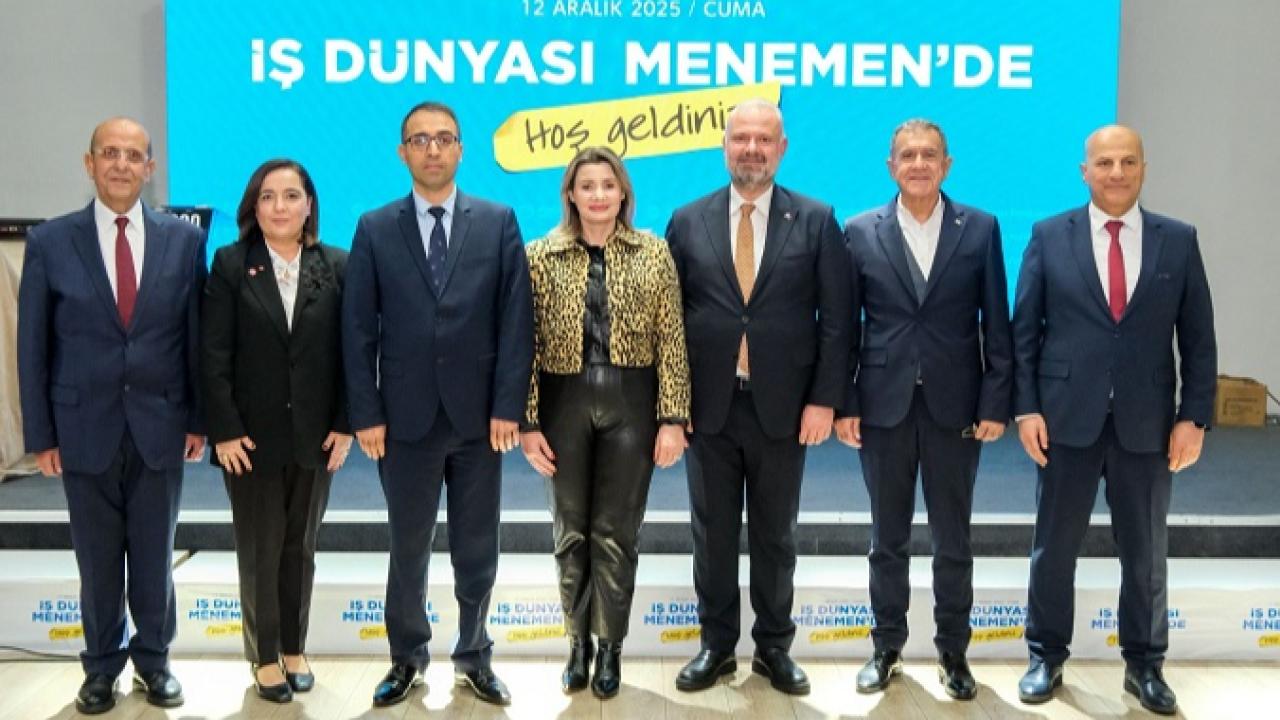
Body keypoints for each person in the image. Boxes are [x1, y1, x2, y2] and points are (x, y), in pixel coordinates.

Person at [1011, 125, 1216, 715]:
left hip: (1147, 427)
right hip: (1065, 422)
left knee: (1146, 553)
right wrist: (1026, 408)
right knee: (1054, 548)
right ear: (1085, 171)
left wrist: (1193, 417)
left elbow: (1198, 339)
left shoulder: (1179, 240)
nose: (1117, 172)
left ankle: (1145, 665)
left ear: (1144, 168)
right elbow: (1024, 333)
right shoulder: (1049, 235)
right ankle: (1045, 656)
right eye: (1105, 163)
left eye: (1128, 161)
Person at [342, 101, 534, 708]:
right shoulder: (375, 227)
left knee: (477, 548)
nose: (432, 149)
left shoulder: (498, 221)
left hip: (481, 421)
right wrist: (366, 413)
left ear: (460, 150)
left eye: (444, 138)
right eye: (420, 140)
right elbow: (357, 331)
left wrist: (508, 405)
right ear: (402, 152)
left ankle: (474, 654)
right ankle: (406, 657)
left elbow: (516, 321)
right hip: (404, 420)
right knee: (408, 546)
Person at [17, 117, 206, 714]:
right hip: (82, 428)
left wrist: (198, 419)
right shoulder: (51, 242)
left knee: (154, 555)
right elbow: (32, 346)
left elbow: (194, 338)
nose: (121, 164)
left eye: (133, 155)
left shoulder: (183, 241)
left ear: (150, 168)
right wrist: (41, 434)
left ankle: (155, 661)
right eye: (109, 153)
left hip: (161, 425)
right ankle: (100, 667)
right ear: (89, 163)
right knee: (97, 560)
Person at [665, 99, 851, 696]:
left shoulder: (816, 220)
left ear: (782, 147)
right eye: (741, 138)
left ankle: (774, 647)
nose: (752, 149)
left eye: (763, 139)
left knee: (776, 535)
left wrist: (824, 400)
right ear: (724, 146)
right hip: (708, 410)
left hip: (784, 409)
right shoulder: (687, 220)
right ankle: (717, 646)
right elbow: (669, 323)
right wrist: (672, 408)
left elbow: (837, 320)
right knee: (712, 535)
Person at [835, 119, 1012, 700]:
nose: (918, 164)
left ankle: (953, 652)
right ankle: (886, 647)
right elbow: (844, 328)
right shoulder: (859, 230)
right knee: (886, 538)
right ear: (891, 166)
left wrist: (995, 400)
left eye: (929, 155)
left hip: (955, 408)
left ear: (946, 164)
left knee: (953, 540)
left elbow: (997, 322)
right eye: (907, 155)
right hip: (882, 407)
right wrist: (845, 402)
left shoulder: (980, 228)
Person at [520, 146, 690, 699]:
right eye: (587, 185)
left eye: (608, 185)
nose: (598, 195)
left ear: (623, 194)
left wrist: (673, 418)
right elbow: (525, 343)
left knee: (616, 534)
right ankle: (577, 645)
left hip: (631, 402)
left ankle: (610, 648)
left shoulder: (654, 252)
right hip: (561, 402)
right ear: (571, 194)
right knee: (570, 531)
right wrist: (527, 422)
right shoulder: (538, 255)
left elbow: (672, 337)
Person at [201, 159, 352, 703]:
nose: (280, 206)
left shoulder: (336, 265)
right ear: (254, 206)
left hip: (317, 437)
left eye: (291, 196)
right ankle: (264, 657)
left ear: (309, 205)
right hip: (249, 440)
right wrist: (224, 430)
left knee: (300, 546)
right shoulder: (231, 264)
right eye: (268, 196)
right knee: (260, 548)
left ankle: (294, 648)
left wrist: (345, 424)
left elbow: (352, 355)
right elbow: (213, 354)